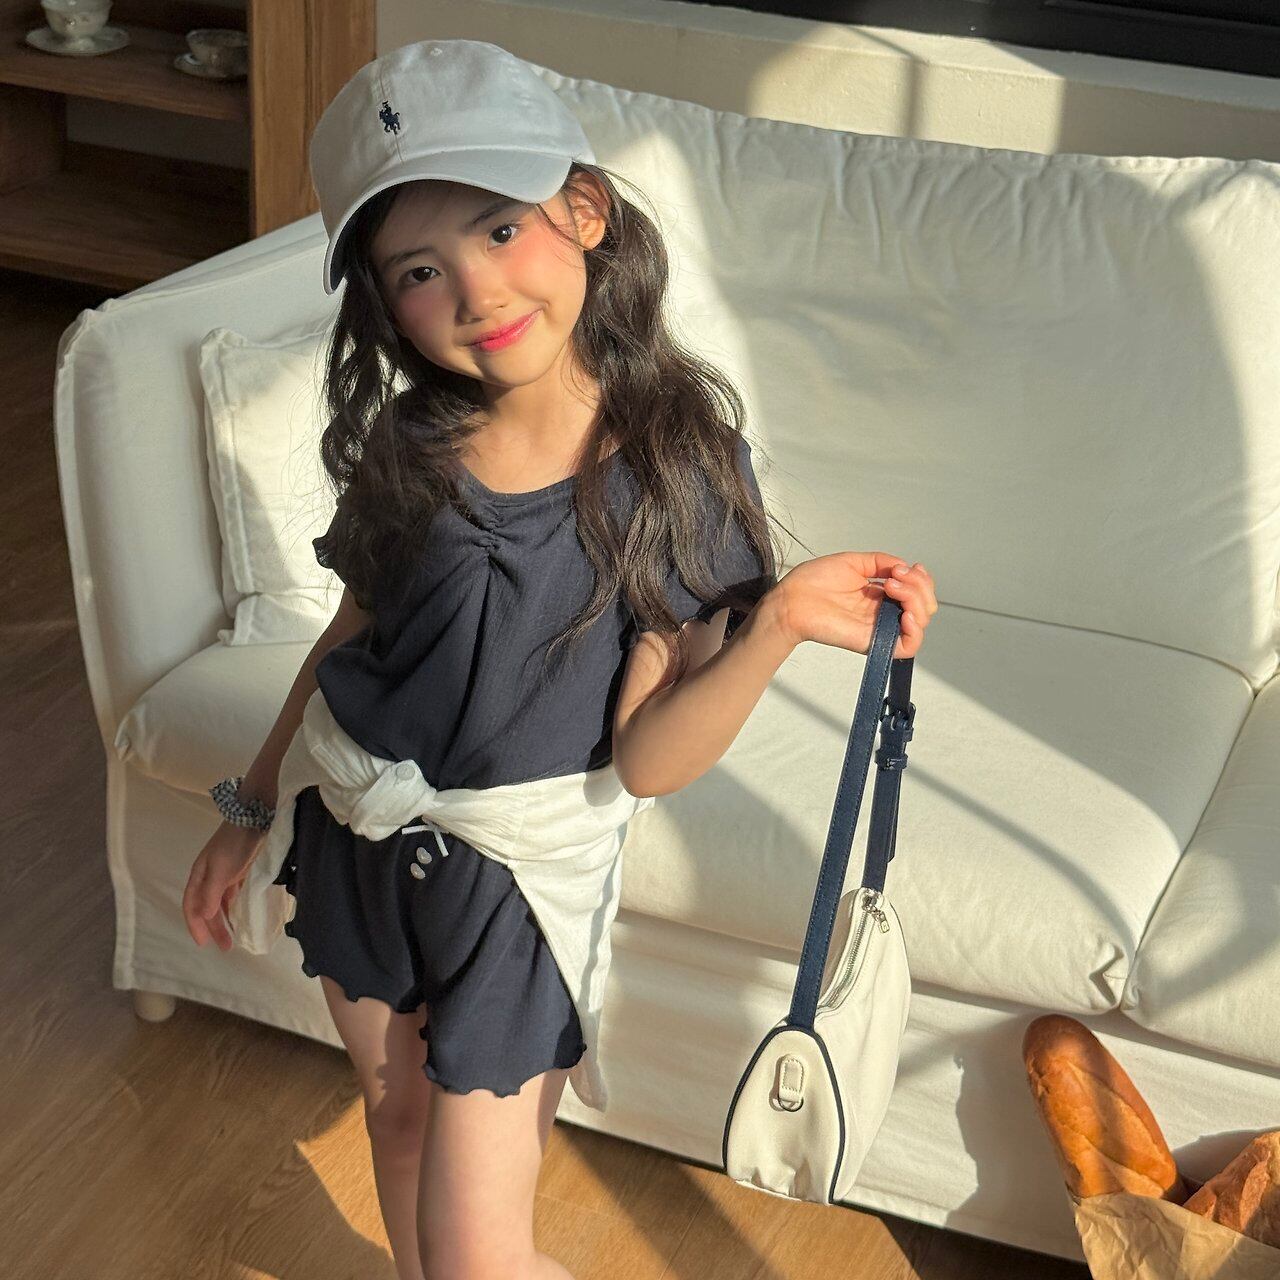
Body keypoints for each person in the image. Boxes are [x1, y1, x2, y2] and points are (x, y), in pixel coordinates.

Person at [180, 38, 937, 1280]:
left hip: (517, 888)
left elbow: (647, 762)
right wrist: (250, 804)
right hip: (352, 827)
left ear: (583, 209)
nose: (474, 289)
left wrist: (779, 625)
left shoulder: (680, 471)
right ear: (382, 299)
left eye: (498, 228)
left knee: (481, 1252)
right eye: (420, 269)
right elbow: (352, 631)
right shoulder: (410, 440)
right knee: (394, 1120)